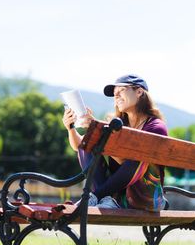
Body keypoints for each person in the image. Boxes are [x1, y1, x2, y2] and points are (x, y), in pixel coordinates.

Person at [62, 74, 168, 211]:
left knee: (138, 157)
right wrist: (71, 128)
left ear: (139, 92)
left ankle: (94, 197)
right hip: (113, 198)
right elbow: (80, 147)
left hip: (145, 199)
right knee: (88, 144)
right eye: (114, 94)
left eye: (121, 90)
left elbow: (129, 162)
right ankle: (98, 198)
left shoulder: (155, 127)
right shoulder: (118, 125)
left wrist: (100, 133)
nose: (116, 96)